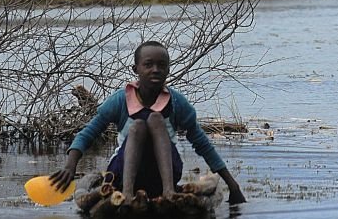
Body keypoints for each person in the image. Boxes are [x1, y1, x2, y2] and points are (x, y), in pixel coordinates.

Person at [49, 41, 246, 204]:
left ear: (168, 69)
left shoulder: (177, 103)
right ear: (136, 69)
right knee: (138, 125)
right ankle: (127, 193)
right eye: (148, 64)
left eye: (162, 65)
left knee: (155, 119)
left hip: (163, 175)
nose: (156, 70)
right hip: (124, 172)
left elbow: (202, 144)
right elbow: (88, 133)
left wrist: (232, 185)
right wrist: (69, 166)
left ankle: (169, 191)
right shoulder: (120, 100)